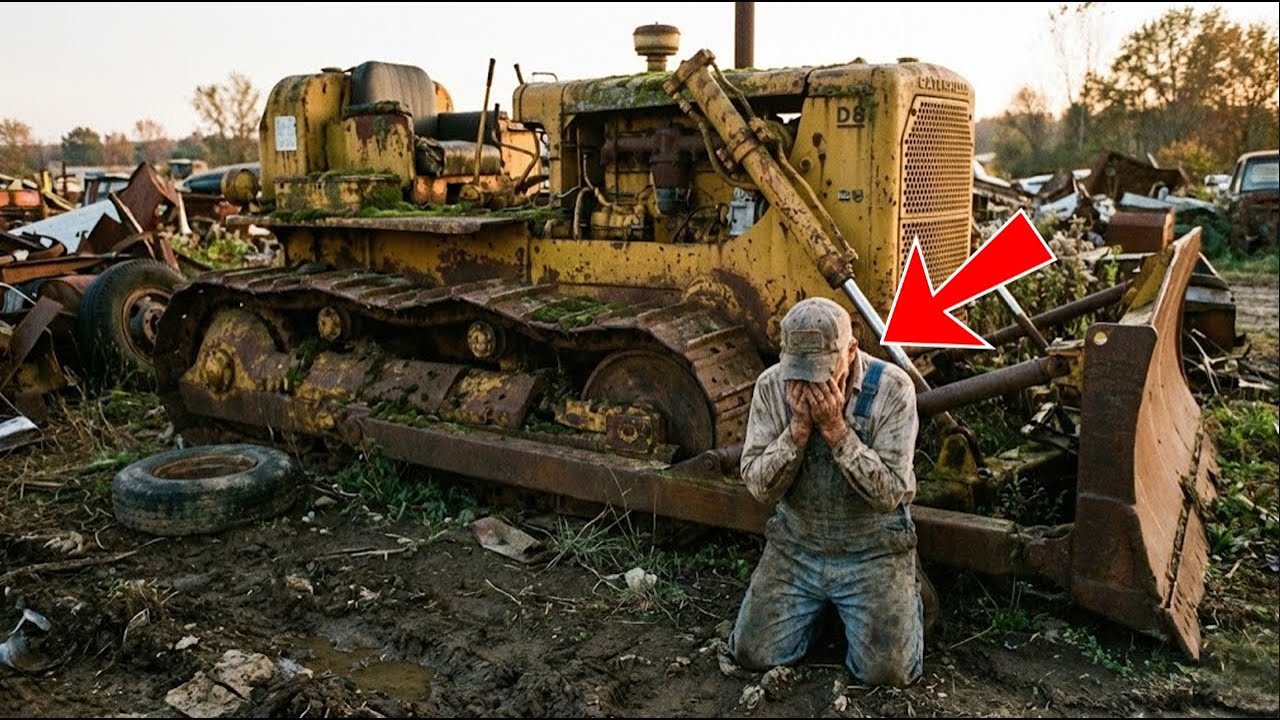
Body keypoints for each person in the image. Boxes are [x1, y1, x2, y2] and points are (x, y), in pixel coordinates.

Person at [730, 296, 923, 686]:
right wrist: (797, 433)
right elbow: (757, 484)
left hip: (872, 551)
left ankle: (908, 594)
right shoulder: (770, 387)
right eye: (798, 372)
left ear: (851, 351)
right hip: (796, 546)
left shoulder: (892, 389)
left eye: (820, 371)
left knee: (888, 675)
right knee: (752, 655)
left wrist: (837, 432)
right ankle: (820, 613)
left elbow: (889, 494)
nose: (809, 384)